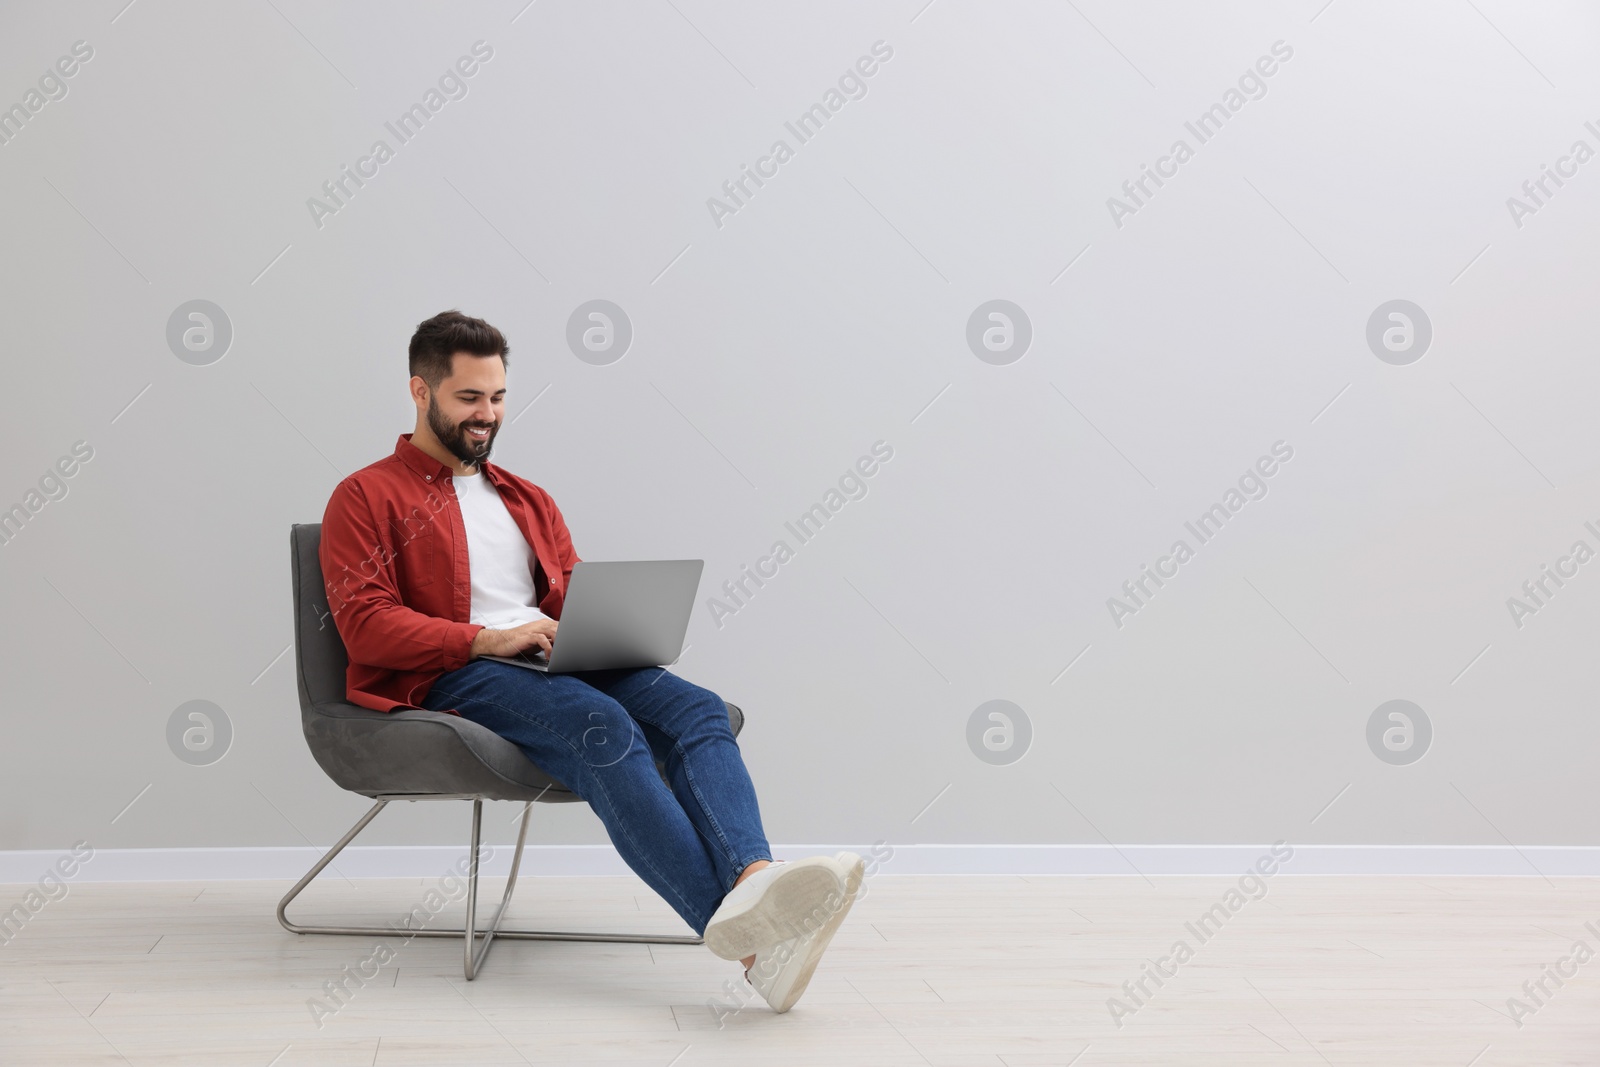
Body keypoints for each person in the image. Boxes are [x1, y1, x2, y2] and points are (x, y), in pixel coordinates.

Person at [318, 309, 861, 1013]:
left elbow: (567, 586)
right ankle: (755, 946)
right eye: (468, 398)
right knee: (603, 725)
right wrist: (484, 638)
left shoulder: (525, 497)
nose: (487, 414)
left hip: (554, 654)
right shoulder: (365, 495)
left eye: (499, 396)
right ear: (420, 392)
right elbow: (365, 626)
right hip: (459, 669)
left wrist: (608, 620)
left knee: (697, 707)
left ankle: (755, 877)